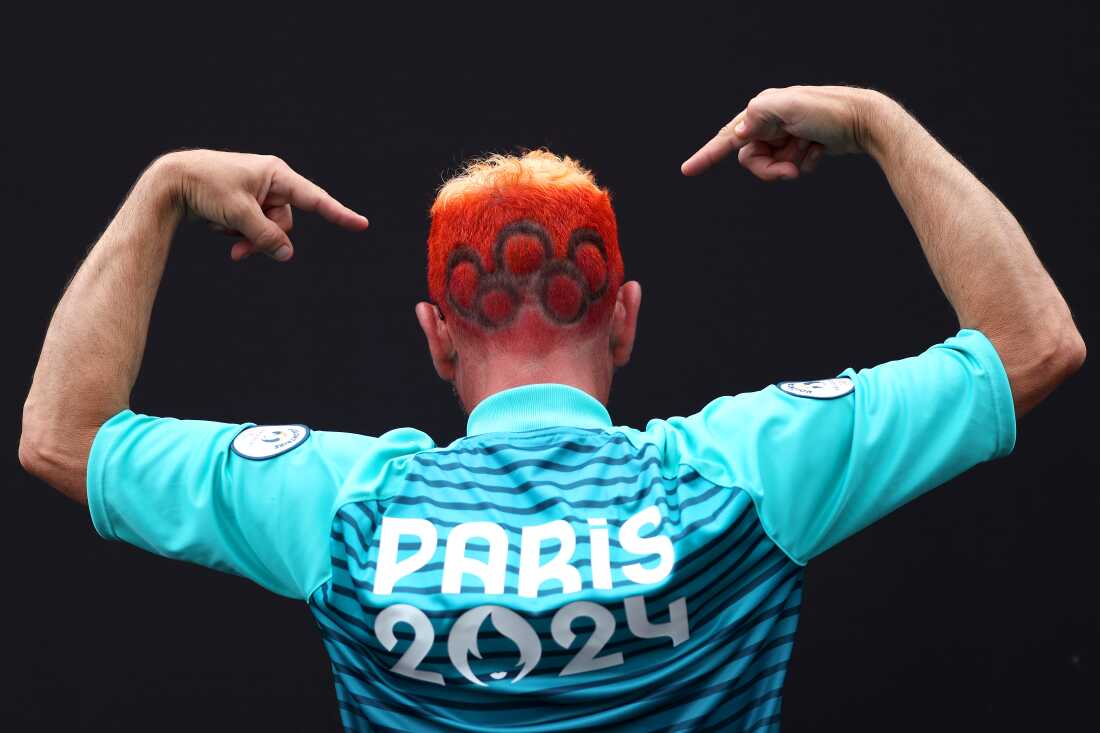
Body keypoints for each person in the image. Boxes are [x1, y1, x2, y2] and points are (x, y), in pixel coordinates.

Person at [19, 84, 1084, 732]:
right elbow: (1032, 342)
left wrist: (159, 189)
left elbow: (63, 437)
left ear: (436, 335)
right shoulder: (744, 478)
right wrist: (875, 121)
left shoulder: (348, 511)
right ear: (623, 318)